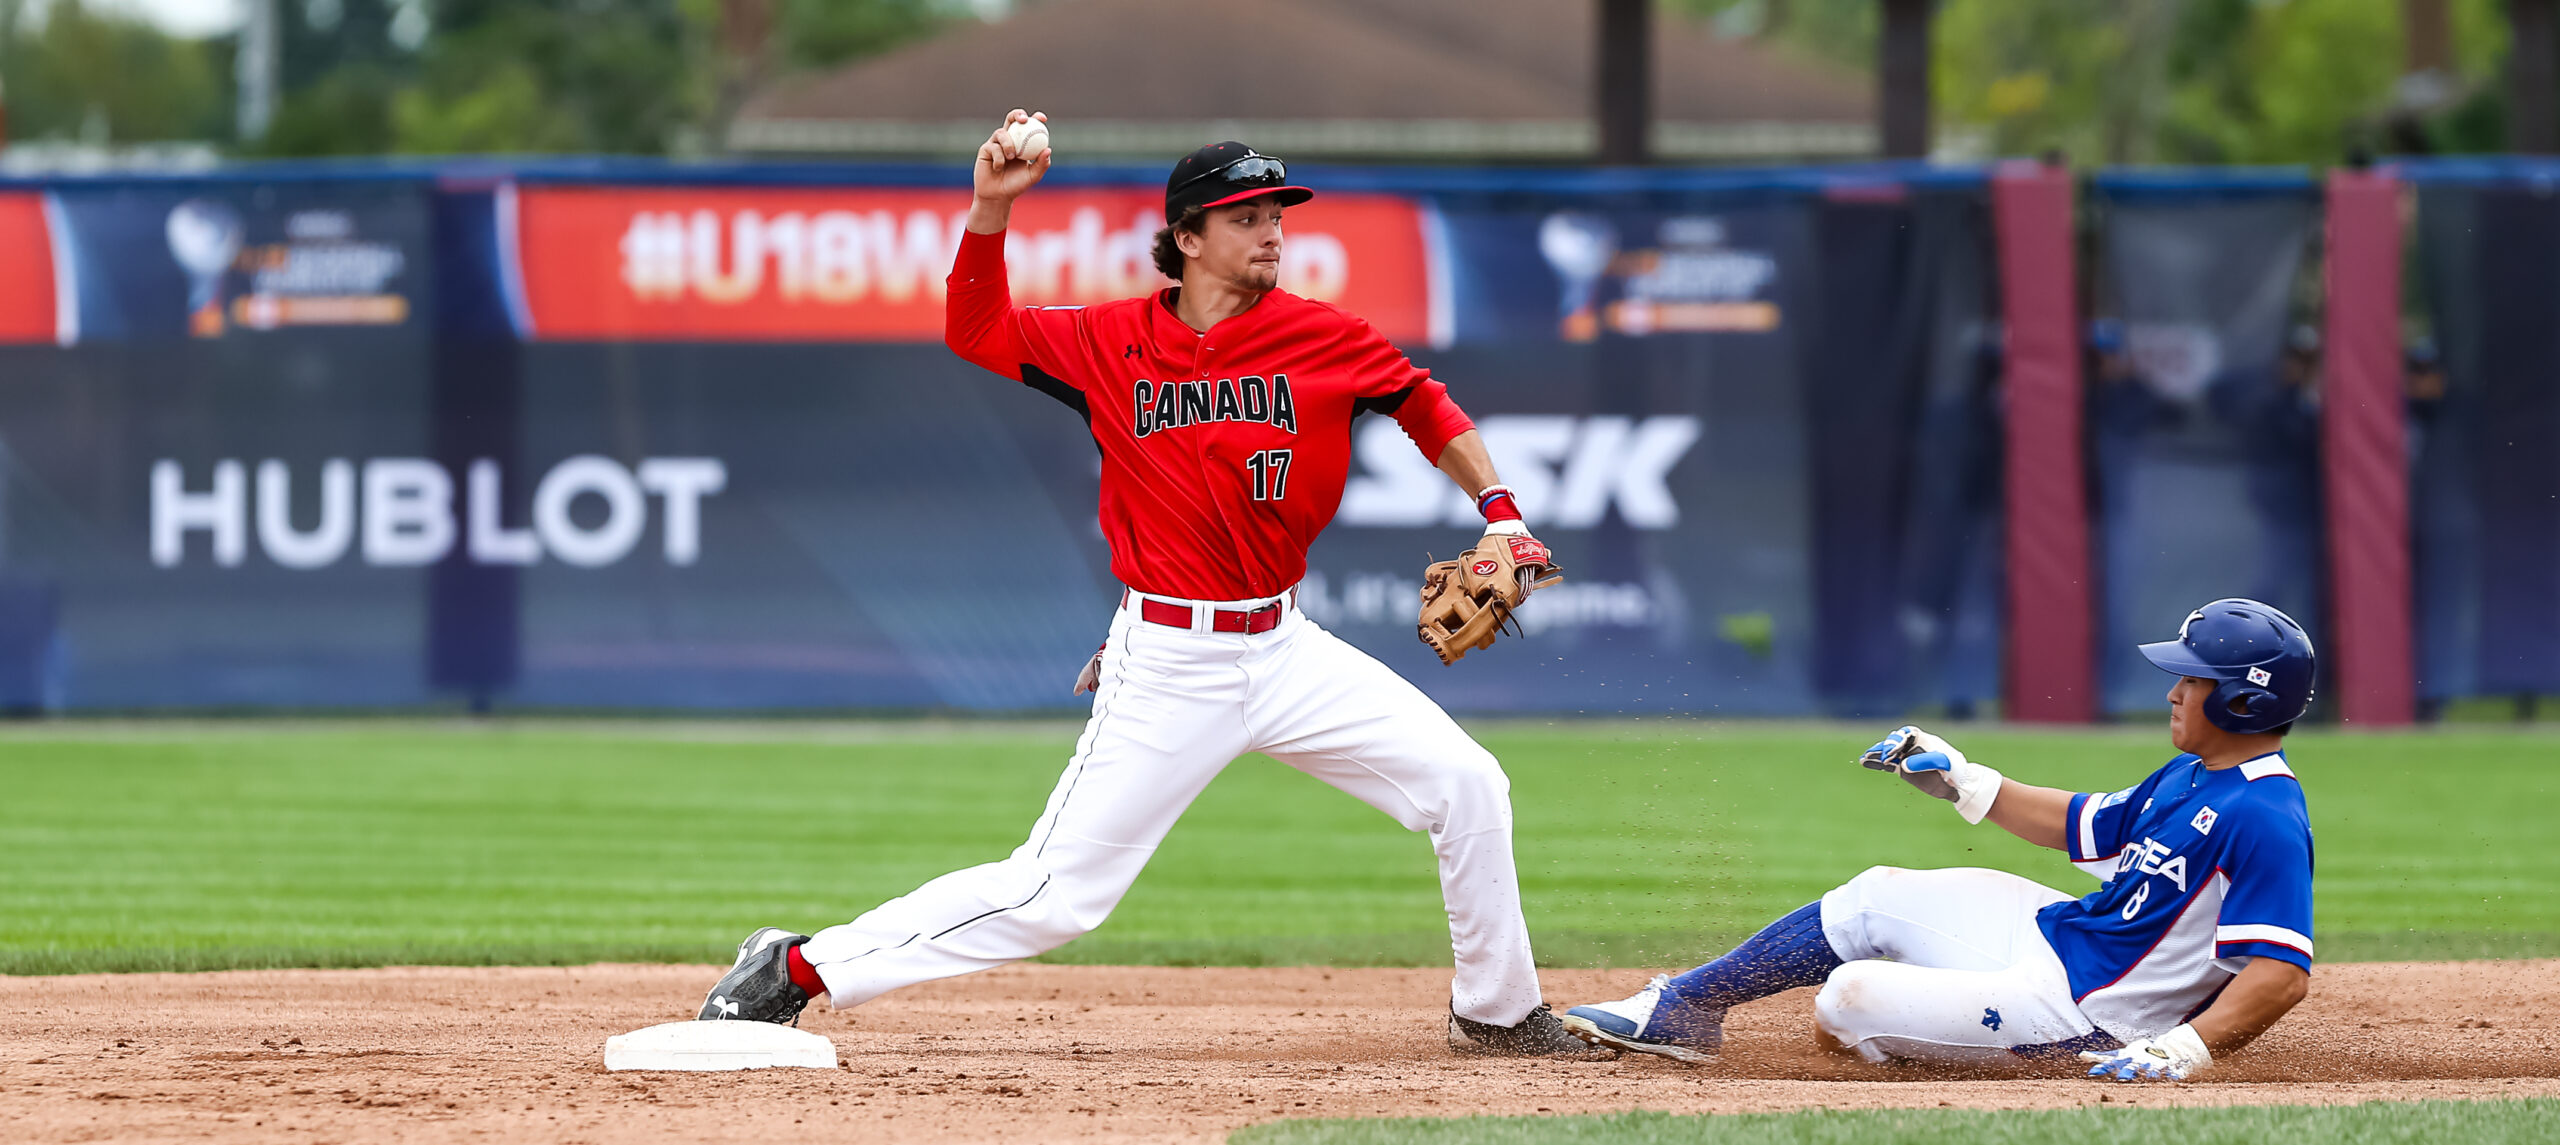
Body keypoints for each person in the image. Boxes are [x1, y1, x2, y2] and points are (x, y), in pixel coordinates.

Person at [693, 111, 1589, 1056]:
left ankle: (1495, 1010)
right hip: (1169, 662)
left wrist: (1500, 508)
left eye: (1278, 212)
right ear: (1188, 237)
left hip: (1287, 649)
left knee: (1469, 784)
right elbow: (977, 328)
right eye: (1246, 216)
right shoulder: (1106, 341)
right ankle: (795, 966)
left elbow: (1422, 401)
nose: (1272, 231)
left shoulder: (1324, 338)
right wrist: (991, 207)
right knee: (1055, 896)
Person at [1562, 598, 2317, 1081]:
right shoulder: (2190, 774)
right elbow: (2076, 823)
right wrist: (1964, 777)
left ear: (2246, 696)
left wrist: (2181, 1048)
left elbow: (2279, 972)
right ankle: (1685, 1008)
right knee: (1877, 893)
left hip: (2090, 1015)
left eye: (2193, 679)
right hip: (2061, 943)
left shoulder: (2266, 814)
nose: (2173, 691)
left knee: (1849, 1000)